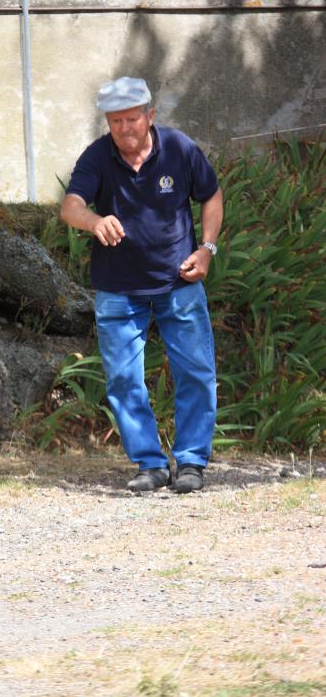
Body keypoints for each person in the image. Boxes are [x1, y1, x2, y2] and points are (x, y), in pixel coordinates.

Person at [60, 76, 223, 494]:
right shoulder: (97, 158)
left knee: (196, 372)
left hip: (179, 281)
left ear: (151, 116)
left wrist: (206, 249)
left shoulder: (179, 149)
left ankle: (190, 463)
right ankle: (149, 464)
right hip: (118, 288)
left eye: (132, 119)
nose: (124, 129)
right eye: (115, 122)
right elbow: (71, 206)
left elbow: (212, 194)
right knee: (123, 378)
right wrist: (94, 222)